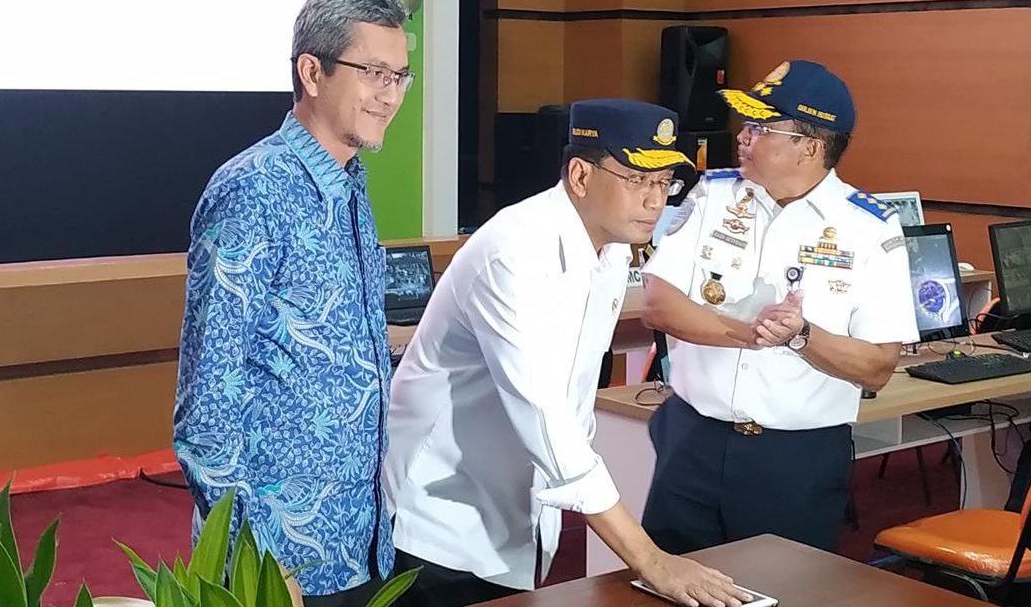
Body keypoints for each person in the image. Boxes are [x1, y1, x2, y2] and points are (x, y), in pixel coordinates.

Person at [384, 99, 752, 607]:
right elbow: (545, 415)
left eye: (663, 182)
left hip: (518, 510)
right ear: (580, 174)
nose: (654, 201)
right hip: (442, 518)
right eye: (636, 180)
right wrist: (651, 561)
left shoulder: (612, 248)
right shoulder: (514, 252)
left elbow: (574, 397)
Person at [174, 0, 413, 606]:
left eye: (400, 77)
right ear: (313, 71)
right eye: (374, 73)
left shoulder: (350, 182)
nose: (390, 96)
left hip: (357, 543)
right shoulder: (252, 191)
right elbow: (207, 412)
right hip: (278, 567)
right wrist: (254, 563)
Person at [640, 59, 918, 555]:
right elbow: (659, 304)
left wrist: (800, 335)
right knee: (667, 583)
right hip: (692, 439)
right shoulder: (712, 195)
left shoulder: (870, 229)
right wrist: (751, 334)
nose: (743, 137)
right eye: (745, 124)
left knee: (781, 586)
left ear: (811, 146)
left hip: (794, 457)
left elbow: (877, 367)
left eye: (762, 128)